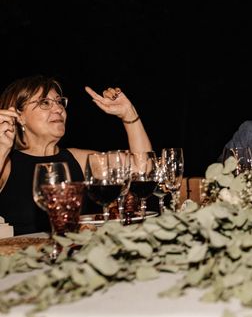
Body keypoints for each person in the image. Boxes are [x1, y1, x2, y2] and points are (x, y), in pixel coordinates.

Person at [0, 75, 153, 235]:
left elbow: (144, 170)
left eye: (59, 102)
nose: (59, 109)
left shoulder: (78, 159)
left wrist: (129, 114)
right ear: (19, 116)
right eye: (45, 103)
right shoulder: (6, 163)